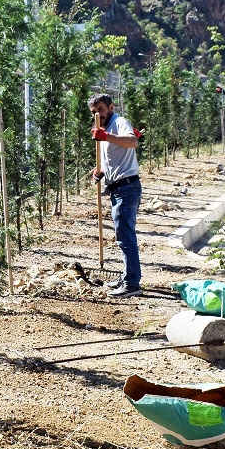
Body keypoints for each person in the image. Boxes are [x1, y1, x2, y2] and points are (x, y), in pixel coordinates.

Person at [88, 93, 142, 297]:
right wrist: (100, 170)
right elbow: (112, 159)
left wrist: (106, 137)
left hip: (127, 188)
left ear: (111, 107)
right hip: (118, 188)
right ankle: (128, 276)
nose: (97, 114)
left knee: (125, 236)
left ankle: (132, 284)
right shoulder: (104, 128)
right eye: (94, 111)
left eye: (101, 109)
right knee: (123, 235)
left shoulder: (119, 122)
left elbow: (132, 141)